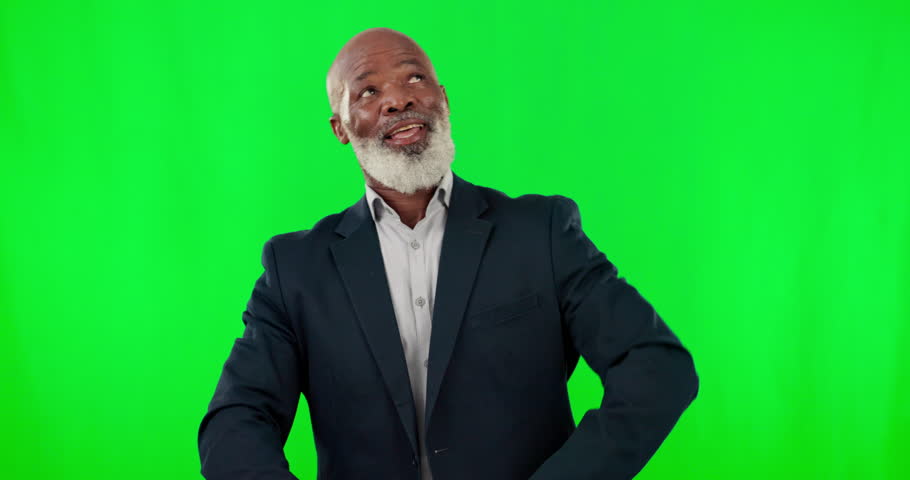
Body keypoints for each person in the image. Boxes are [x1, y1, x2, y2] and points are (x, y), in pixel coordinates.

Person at [197, 27, 699, 480]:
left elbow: (658, 367)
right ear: (341, 128)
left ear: (443, 99)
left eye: (414, 78)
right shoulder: (295, 270)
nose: (397, 99)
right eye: (368, 91)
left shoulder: (541, 233)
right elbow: (234, 423)